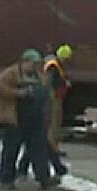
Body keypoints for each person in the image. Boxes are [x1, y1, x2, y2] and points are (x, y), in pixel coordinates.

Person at [0, 48, 56, 190]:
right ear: (24, 62)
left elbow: (46, 92)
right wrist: (19, 93)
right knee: (11, 149)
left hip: (36, 119)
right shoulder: (10, 73)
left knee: (39, 149)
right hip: (15, 118)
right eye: (33, 64)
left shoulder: (39, 76)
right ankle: (6, 179)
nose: (35, 67)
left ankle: (43, 178)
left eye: (37, 64)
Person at [18, 44, 73, 179]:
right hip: (49, 103)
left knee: (37, 140)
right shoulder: (52, 66)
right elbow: (47, 85)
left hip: (44, 105)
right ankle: (47, 172)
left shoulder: (50, 66)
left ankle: (32, 169)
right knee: (42, 138)